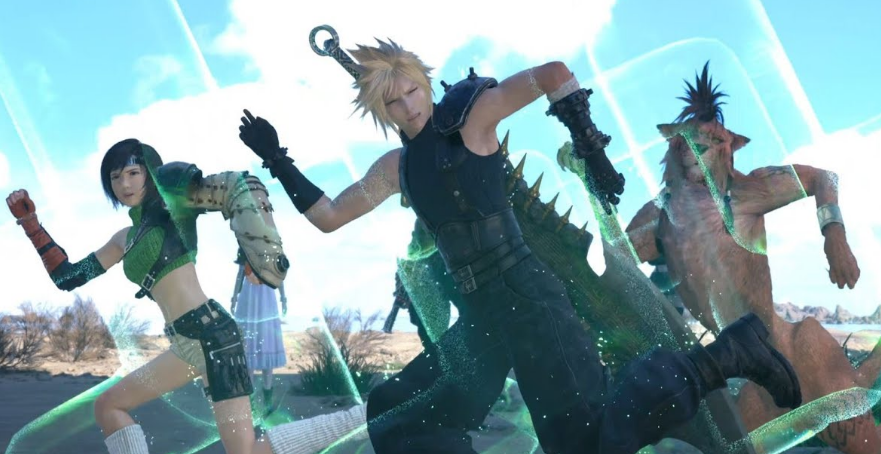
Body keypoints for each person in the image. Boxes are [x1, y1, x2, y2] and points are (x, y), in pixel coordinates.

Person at [236, 39, 802, 454]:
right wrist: (278, 159)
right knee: (401, 414)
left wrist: (591, 148)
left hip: (530, 302)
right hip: (481, 319)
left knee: (582, 445)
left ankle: (727, 355)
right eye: (394, 103)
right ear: (380, 113)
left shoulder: (471, 120)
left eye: (412, 91)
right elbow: (330, 217)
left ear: (425, 83)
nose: (409, 107)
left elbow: (554, 73)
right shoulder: (397, 168)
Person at [7, 140, 365, 454]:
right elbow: (69, 277)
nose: (124, 184)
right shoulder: (123, 239)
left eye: (133, 173)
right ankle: (361, 417)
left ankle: (361, 417)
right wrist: (31, 225)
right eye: (115, 177)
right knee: (239, 449)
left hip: (208, 335)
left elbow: (237, 186)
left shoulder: (172, 207)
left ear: (150, 173)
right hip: (194, 341)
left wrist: (259, 249)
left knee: (112, 406)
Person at [231, 248, 288, 416]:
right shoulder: (248, 247)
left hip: (264, 300)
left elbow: (279, 275)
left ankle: (265, 405)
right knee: (249, 351)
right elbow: (240, 275)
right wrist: (234, 297)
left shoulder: (271, 249)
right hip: (250, 300)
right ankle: (253, 406)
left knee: (265, 346)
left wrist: (283, 297)